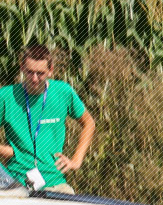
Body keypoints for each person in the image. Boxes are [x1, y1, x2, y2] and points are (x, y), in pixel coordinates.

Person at [0, 44, 96, 194]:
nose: (34, 79)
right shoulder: (6, 96)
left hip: (54, 183)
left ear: (51, 70)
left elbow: (88, 123)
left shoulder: (63, 92)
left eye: (40, 73)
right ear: (22, 68)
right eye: (30, 72)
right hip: (14, 184)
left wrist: (76, 160)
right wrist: (8, 151)